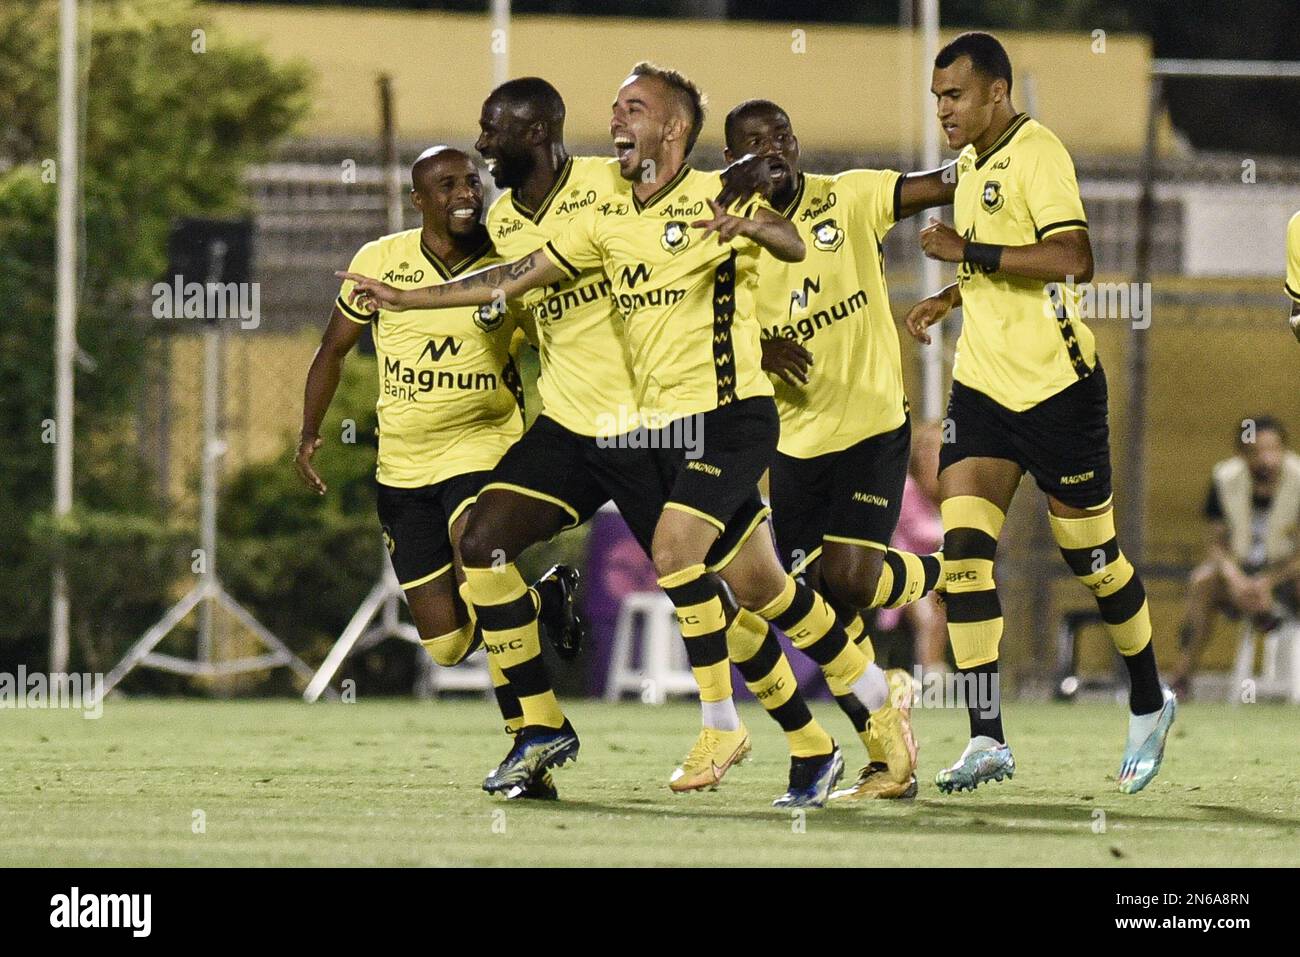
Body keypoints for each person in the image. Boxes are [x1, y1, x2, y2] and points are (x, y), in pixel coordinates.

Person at [340, 64, 907, 809]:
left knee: (742, 597)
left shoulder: (615, 188)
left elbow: (767, 214)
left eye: (493, 131)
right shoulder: (524, 221)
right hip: (575, 425)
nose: (482, 147)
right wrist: (407, 298)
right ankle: (539, 728)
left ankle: (810, 738)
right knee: (483, 541)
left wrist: (758, 215)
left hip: (659, 426)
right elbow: (506, 279)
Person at [903, 32, 1175, 795]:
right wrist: (951, 292)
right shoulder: (968, 167)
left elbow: (1072, 258)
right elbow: (998, 263)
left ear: (996, 91)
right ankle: (987, 737)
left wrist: (968, 252)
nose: (944, 110)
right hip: (983, 390)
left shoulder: (1039, 151)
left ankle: (1150, 701)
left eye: (954, 95)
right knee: (963, 554)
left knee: (1093, 560)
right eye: (937, 98)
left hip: (1058, 391)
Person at [295, 146, 576, 799]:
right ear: (417, 199)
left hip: (485, 446)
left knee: (481, 564)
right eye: (446, 184)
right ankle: (545, 600)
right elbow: (332, 348)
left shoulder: (508, 259)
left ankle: (529, 744)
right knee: (448, 645)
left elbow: (563, 335)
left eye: (471, 181)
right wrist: (309, 432)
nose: (465, 193)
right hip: (402, 467)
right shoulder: (378, 260)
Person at [725, 98, 954, 800]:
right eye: (754, 142)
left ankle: (941, 571)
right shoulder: (729, 244)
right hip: (795, 449)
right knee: (812, 615)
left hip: (873, 430)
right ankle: (888, 758)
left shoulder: (849, 198)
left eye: (782, 135)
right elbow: (703, 340)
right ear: (732, 162)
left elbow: (942, 181)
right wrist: (759, 346)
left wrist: (992, 155)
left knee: (851, 580)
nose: (774, 149)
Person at [1174, 417, 1300, 696]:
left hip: (1284, 575)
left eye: (1273, 450)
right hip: (1239, 574)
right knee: (1202, 582)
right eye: (1257, 452)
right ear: (1242, 454)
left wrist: (1267, 581)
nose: (1266, 460)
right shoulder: (1225, 479)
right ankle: (1181, 679)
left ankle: (1267, 614)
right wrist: (1236, 579)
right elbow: (1216, 543)